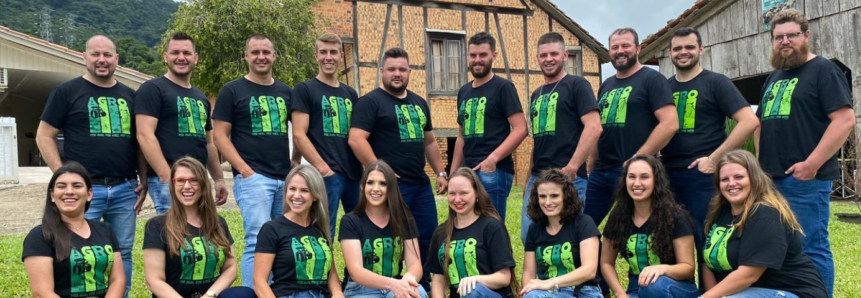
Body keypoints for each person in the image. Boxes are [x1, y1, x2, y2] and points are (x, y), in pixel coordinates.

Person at [35, 35, 145, 296]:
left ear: (117, 59)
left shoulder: (131, 96)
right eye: (95, 54)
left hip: (124, 187)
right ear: (84, 57)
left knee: (123, 251)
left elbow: (139, 142)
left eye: (107, 55)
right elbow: (44, 135)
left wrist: (145, 179)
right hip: (85, 191)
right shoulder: (66, 92)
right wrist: (63, 178)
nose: (102, 60)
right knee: (77, 250)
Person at [755, 9, 855, 297]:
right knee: (780, 246)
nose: (785, 41)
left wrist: (812, 164)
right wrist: (761, 164)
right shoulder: (774, 76)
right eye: (778, 37)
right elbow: (760, 123)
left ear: (806, 36)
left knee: (811, 246)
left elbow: (845, 119)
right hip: (771, 179)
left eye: (792, 35)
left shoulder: (824, 70)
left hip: (805, 181)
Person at [348, 47, 447, 290]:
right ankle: (372, 286)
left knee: (427, 238)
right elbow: (356, 139)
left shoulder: (419, 103)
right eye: (391, 69)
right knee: (387, 239)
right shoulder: (369, 102)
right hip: (392, 186)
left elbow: (430, 141)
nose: (397, 74)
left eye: (402, 69)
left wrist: (442, 172)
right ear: (382, 71)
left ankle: (421, 287)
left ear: (409, 72)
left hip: (421, 185)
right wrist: (382, 174)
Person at [662, 27, 758, 252]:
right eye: (677, 48)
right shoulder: (664, 87)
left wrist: (713, 159)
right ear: (670, 53)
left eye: (689, 47)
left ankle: (712, 288)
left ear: (701, 50)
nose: (683, 52)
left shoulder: (716, 82)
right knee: (671, 240)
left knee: (706, 239)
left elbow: (749, 121)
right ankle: (679, 288)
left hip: (702, 176)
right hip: (667, 175)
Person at [212, 34, 295, 288]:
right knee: (257, 240)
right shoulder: (232, 90)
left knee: (285, 238)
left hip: (285, 179)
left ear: (274, 56)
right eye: (255, 52)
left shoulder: (285, 91)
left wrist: (295, 163)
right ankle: (254, 294)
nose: (261, 56)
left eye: (266, 52)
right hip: (254, 179)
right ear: (246, 56)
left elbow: (300, 130)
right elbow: (219, 136)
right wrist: (245, 170)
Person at [699, 150, 827, 298]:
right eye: (725, 179)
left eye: (739, 177)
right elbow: (707, 262)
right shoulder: (720, 213)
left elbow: (748, 275)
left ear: (754, 179)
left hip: (792, 291)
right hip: (746, 292)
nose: (732, 183)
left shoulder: (765, 214)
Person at [585, 28, 678, 226]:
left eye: (626, 45)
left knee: (643, 230)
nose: (620, 51)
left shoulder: (652, 79)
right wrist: (591, 165)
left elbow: (670, 123)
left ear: (638, 48)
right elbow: (598, 127)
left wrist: (637, 159)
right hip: (601, 173)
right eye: (615, 47)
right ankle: (598, 259)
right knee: (584, 228)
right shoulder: (606, 85)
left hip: (634, 173)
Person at [521, 32, 602, 243]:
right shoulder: (536, 94)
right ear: (537, 58)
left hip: (569, 178)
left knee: (567, 241)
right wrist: (529, 179)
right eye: (543, 55)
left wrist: (572, 167)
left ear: (565, 55)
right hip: (538, 178)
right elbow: (538, 139)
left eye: (554, 54)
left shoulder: (578, 85)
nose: (548, 59)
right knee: (530, 237)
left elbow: (594, 127)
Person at [136, 32, 228, 215]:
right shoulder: (153, 89)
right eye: (175, 52)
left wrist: (218, 179)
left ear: (196, 58)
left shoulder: (200, 96)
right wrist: (166, 176)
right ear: (165, 57)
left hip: (198, 180)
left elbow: (208, 142)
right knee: (173, 239)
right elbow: (144, 135)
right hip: (170, 181)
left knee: (198, 236)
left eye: (186, 53)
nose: (181, 57)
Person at [143, 157, 255, 298]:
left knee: (243, 294)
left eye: (194, 180)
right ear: (173, 185)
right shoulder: (157, 225)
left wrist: (209, 295)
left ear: (203, 185)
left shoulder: (217, 222)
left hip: (209, 296)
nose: (187, 186)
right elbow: (154, 281)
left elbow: (230, 268)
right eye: (180, 181)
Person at [450, 32, 528, 220]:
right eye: (473, 55)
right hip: (467, 172)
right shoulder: (464, 91)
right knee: (465, 226)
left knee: (493, 228)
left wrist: (492, 159)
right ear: (467, 57)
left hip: (494, 171)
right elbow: (461, 136)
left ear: (493, 56)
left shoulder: (503, 87)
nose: (477, 60)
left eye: (483, 55)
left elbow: (521, 128)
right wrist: (453, 173)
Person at [293, 33, 363, 238]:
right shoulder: (305, 89)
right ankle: (324, 271)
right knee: (324, 231)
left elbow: (357, 135)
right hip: (327, 175)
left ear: (341, 56)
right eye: (323, 52)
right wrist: (323, 169)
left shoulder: (351, 94)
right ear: (316, 56)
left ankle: (356, 272)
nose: (328, 57)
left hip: (354, 174)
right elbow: (299, 134)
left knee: (360, 230)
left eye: (333, 52)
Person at [600, 155, 699, 298]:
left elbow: (688, 268)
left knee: (654, 285)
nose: (637, 183)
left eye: (644, 177)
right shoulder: (619, 216)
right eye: (632, 177)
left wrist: (662, 269)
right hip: (637, 289)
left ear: (656, 181)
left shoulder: (675, 216)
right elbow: (606, 262)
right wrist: (620, 293)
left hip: (676, 288)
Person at [23, 162, 125, 298]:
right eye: (61, 186)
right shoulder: (39, 236)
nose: (69, 191)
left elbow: (118, 280)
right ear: (52, 195)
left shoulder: (105, 229)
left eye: (77, 186)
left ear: (89, 194)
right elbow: (42, 292)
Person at [339, 160, 428, 298]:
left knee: (418, 293)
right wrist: (392, 284)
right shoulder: (350, 221)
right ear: (362, 186)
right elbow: (356, 271)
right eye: (370, 182)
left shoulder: (404, 219)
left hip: (396, 286)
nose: (375, 188)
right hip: (361, 290)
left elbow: (415, 265)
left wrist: (408, 279)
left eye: (383, 183)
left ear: (391, 188)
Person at [253, 165, 344, 298]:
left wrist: (337, 293)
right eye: (292, 189)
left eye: (304, 190)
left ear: (315, 195)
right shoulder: (272, 229)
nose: (296, 195)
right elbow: (259, 282)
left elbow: (331, 274)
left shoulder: (320, 229)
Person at [427, 167, 518, 298]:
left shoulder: (492, 226)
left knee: (472, 291)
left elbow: (504, 277)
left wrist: (476, 280)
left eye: (463, 193)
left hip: (489, 294)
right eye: (452, 193)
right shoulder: (441, 232)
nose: (457, 199)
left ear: (476, 194)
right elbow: (438, 279)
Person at [521, 169, 602, 298]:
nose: (547, 202)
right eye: (542, 196)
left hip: (583, 292)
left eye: (554, 196)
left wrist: (551, 282)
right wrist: (527, 291)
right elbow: (528, 274)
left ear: (566, 196)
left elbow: (589, 270)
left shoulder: (583, 223)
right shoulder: (534, 229)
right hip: (548, 293)